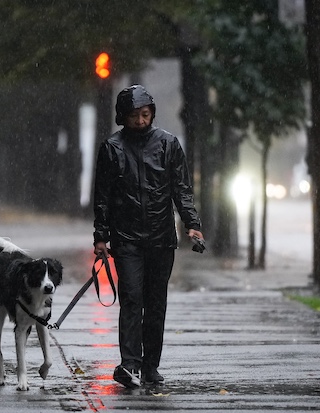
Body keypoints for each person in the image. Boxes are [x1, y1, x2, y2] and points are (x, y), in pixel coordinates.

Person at [92, 84, 204, 388]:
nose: (141, 121)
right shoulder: (112, 149)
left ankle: (150, 365)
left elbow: (181, 189)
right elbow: (102, 196)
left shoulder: (168, 145)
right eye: (134, 116)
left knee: (156, 303)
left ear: (152, 112)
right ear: (122, 118)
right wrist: (101, 237)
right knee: (131, 298)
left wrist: (192, 223)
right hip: (126, 238)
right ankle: (130, 364)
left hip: (161, 238)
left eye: (145, 114)